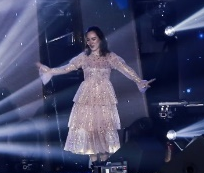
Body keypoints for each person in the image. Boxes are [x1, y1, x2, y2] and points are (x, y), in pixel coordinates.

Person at [38, 26, 153, 165]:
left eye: (93, 39)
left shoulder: (110, 57)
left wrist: (139, 81)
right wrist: (50, 71)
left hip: (104, 97)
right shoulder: (84, 57)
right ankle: (94, 164)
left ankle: (104, 163)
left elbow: (125, 69)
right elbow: (67, 68)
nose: (91, 42)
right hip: (87, 96)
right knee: (89, 128)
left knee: (104, 128)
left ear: (100, 39)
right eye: (88, 40)